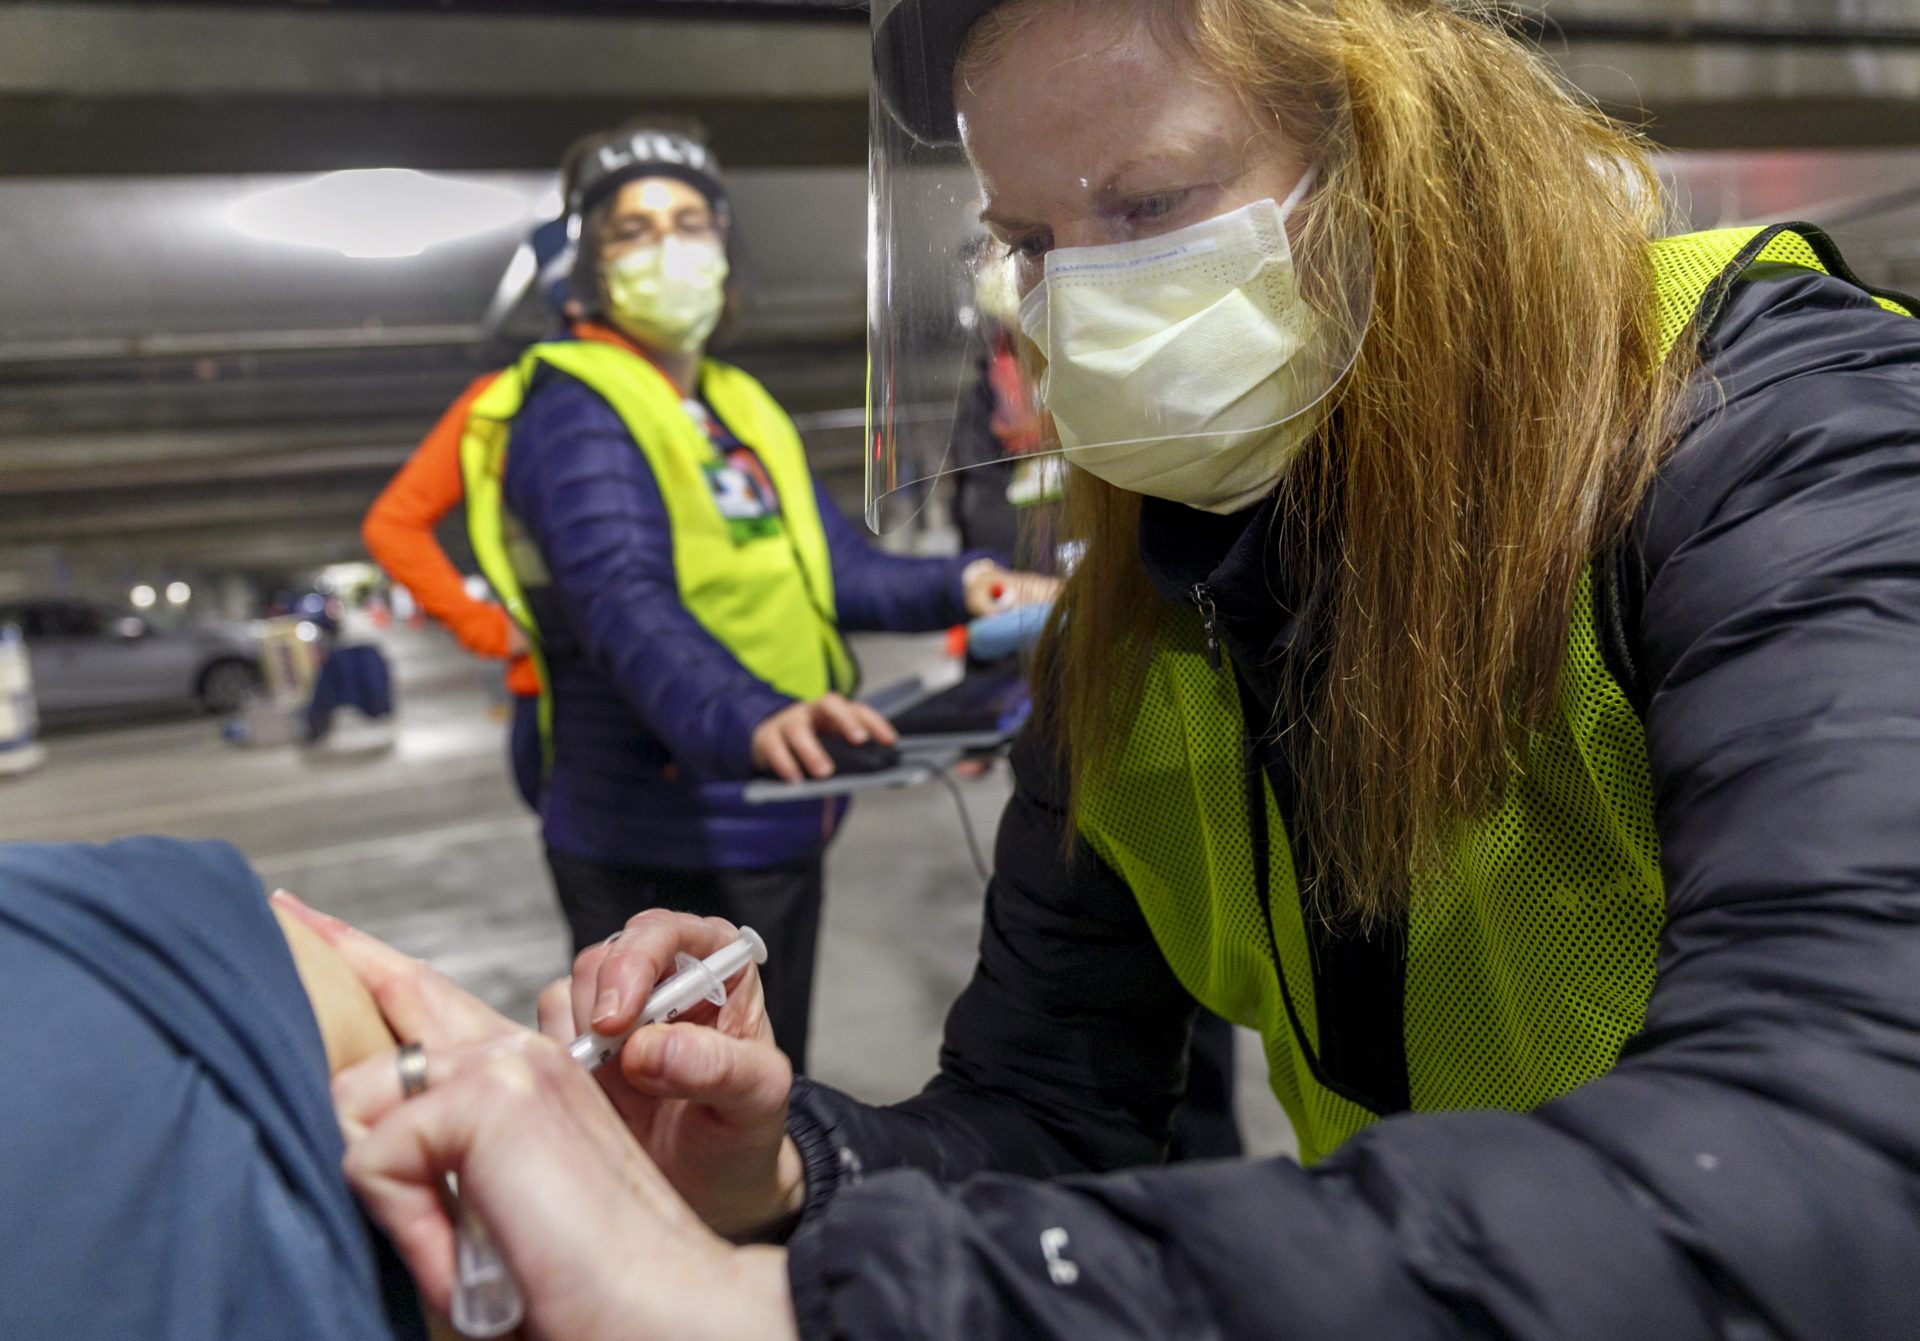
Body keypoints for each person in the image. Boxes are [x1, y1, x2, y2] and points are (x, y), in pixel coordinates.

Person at [324, 3, 1920, 1339]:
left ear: (1404, 162)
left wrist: (814, 1313)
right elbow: (1046, 1113)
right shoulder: (1142, 627)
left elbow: (1840, 1156)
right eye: (1029, 240)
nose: (1075, 300)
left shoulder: (1772, 439)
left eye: (1146, 207)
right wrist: (782, 1171)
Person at [460, 123, 1046, 1070]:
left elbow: (835, 570)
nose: (671, 248)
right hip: (662, 832)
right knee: (676, 1114)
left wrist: (961, 583)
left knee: (766, 1092)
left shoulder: (737, 404)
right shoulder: (570, 409)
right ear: (587, 264)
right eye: (634, 230)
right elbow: (622, 602)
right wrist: (753, 714)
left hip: (775, 806)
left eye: (692, 222)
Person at [362, 218, 577, 812]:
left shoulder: (704, 397)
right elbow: (393, 524)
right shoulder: (506, 403)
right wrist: (482, 625)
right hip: (566, 709)